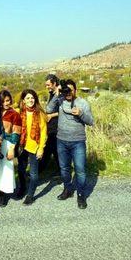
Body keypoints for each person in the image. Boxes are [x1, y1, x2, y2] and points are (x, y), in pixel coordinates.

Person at [46, 79, 95, 209]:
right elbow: (48, 109)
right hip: (61, 140)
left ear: (75, 90)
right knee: (64, 169)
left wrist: (81, 114)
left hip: (77, 142)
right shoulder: (60, 100)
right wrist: (56, 95)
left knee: (80, 170)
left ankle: (81, 195)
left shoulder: (82, 103)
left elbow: (91, 121)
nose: (68, 93)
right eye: (65, 90)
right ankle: (67, 189)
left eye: (70, 90)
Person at [16, 89, 48, 205]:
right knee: (20, 170)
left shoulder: (39, 113)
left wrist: (41, 148)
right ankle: (23, 187)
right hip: (22, 146)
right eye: (28, 98)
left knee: (34, 174)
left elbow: (44, 132)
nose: (30, 100)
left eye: (32, 98)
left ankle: (30, 195)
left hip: (34, 147)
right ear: (23, 100)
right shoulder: (19, 112)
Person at [0, 90, 22, 207]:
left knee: (5, 170)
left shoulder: (14, 114)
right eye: (3, 101)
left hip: (7, 143)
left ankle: (3, 194)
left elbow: (16, 132)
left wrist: (12, 148)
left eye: (8, 100)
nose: (6, 103)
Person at [42, 74, 60, 173]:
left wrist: (51, 115)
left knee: (51, 148)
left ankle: (40, 170)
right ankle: (62, 170)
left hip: (57, 127)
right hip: (51, 127)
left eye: (48, 85)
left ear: (55, 84)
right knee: (52, 149)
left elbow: (64, 110)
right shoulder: (52, 94)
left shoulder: (60, 95)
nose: (47, 87)